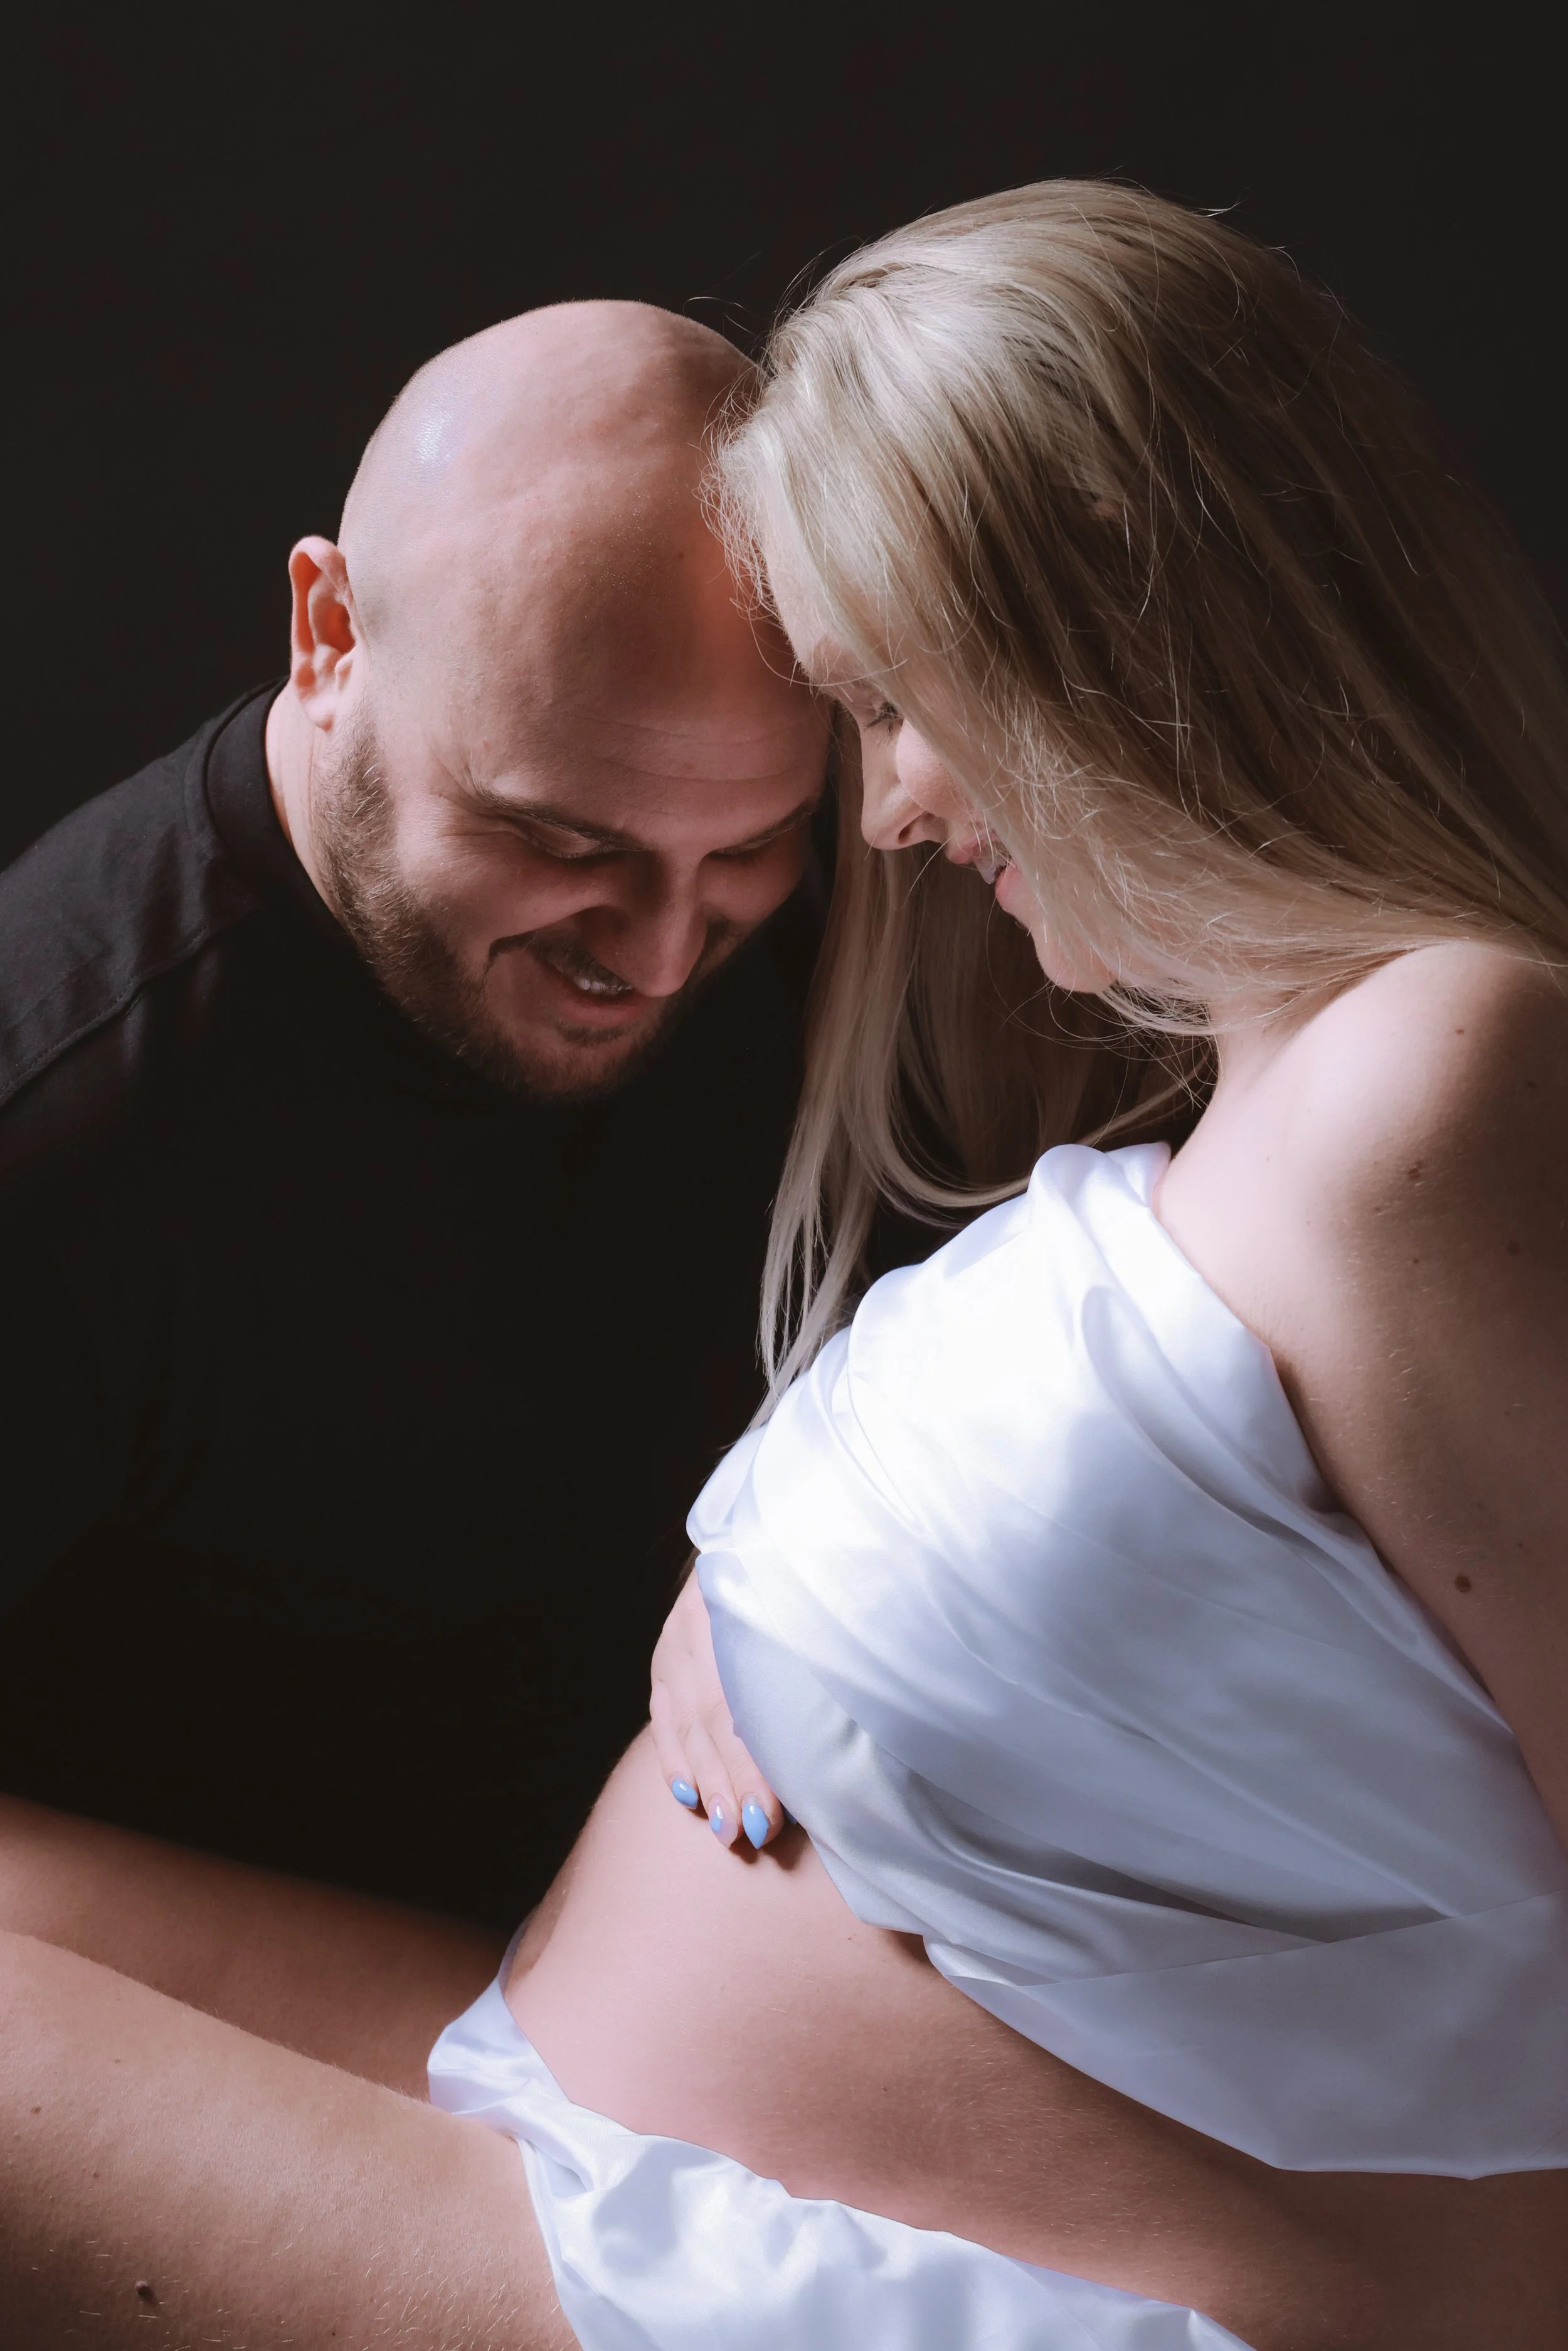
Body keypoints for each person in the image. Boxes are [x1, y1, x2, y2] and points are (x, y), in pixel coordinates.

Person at [4, 183, 1567, 2350]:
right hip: (577, 2087)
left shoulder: (1416, 1074)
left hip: (778, 2273)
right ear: (327, 634)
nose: (890, 814)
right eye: (563, 843)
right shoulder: (1259, 1065)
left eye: (871, 726)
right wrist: (773, 1556)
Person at [0, 300, 831, 1932]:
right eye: (557, 836)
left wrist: (791, 1509)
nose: (662, 950)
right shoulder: (61, 1128)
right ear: (327, 633)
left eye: (745, 847)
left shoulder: (845, 895)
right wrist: (515, 2033)